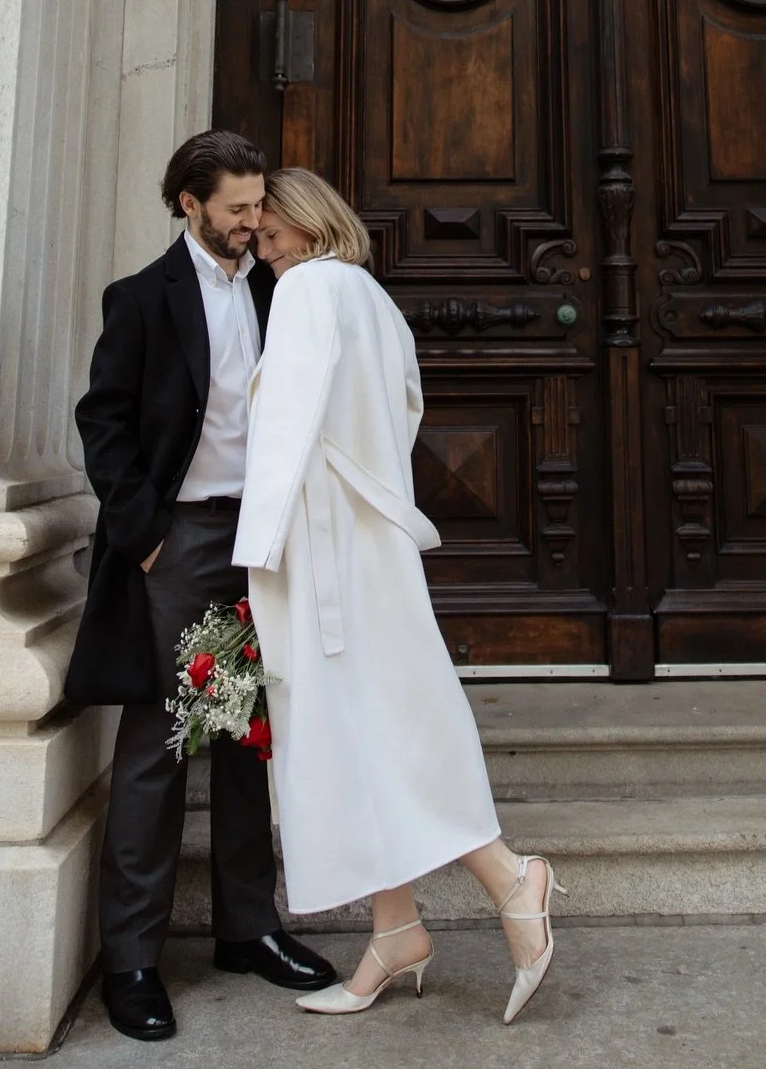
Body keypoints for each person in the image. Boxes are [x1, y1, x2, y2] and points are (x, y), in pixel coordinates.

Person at [234, 167, 563, 1024]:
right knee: (372, 725)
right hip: (367, 535)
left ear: (306, 228)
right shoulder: (372, 298)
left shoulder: (308, 290)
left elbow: (285, 426)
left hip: (328, 546)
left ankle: (512, 878)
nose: (265, 256)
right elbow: (407, 408)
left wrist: (258, 548)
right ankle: (395, 926)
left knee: (376, 724)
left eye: (271, 238)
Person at [64, 131, 335, 1042]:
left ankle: (248, 929)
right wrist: (146, 539)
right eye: (236, 209)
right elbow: (103, 422)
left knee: (248, 739)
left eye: (259, 206)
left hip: (260, 542)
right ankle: (133, 959)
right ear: (189, 203)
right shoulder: (143, 299)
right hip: (178, 542)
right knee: (160, 747)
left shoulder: (280, 287)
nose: (254, 222)